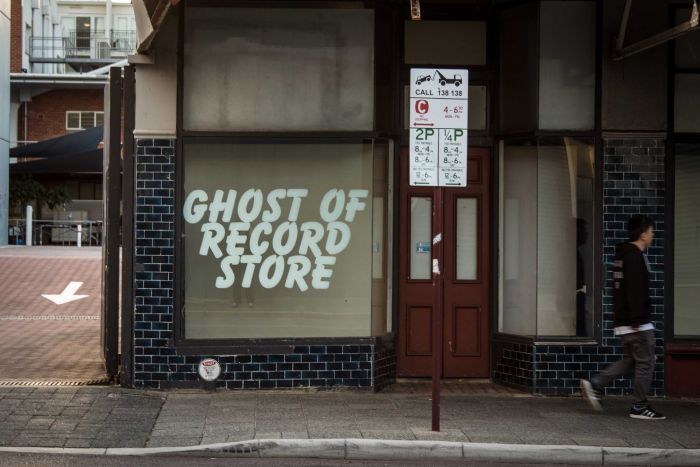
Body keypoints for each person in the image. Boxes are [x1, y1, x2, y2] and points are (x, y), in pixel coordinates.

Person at [581, 214, 665, 420]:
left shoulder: (623, 256)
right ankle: (639, 406)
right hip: (637, 323)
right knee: (646, 362)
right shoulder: (634, 256)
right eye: (651, 231)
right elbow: (634, 291)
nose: (653, 235)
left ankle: (597, 383)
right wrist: (637, 320)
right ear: (644, 234)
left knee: (631, 360)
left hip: (625, 322)